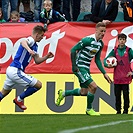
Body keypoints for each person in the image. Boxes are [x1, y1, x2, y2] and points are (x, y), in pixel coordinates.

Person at [56, 22, 112, 116]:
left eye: (104, 32)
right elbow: (73, 50)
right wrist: (74, 66)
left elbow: (97, 60)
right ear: (96, 30)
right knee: (93, 87)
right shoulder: (87, 40)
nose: (103, 33)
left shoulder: (100, 44)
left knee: (84, 92)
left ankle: (63, 93)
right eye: (101, 31)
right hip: (79, 67)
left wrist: (104, 73)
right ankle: (89, 109)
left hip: (86, 68)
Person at [0, 25, 54, 110]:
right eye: (42, 35)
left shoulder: (35, 46)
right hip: (16, 70)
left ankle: (18, 99)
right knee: (38, 85)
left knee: (3, 93)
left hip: (11, 70)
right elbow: (23, 42)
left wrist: (46, 57)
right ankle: (19, 99)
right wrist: (29, 50)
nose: (42, 38)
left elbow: (37, 61)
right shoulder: (31, 40)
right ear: (37, 34)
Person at [104, 33, 133, 114]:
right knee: (117, 95)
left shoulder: (129, 50)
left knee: (126, 95)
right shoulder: (114, 51)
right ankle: (118, 111)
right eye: (120, 39)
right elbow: (105, 60)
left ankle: (126, 110)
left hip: (126, 77)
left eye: (123, 39)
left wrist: (132, 72)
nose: (122, 41)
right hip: (117, 77)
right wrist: (108, 64)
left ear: (126, 40)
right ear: (118, 40)